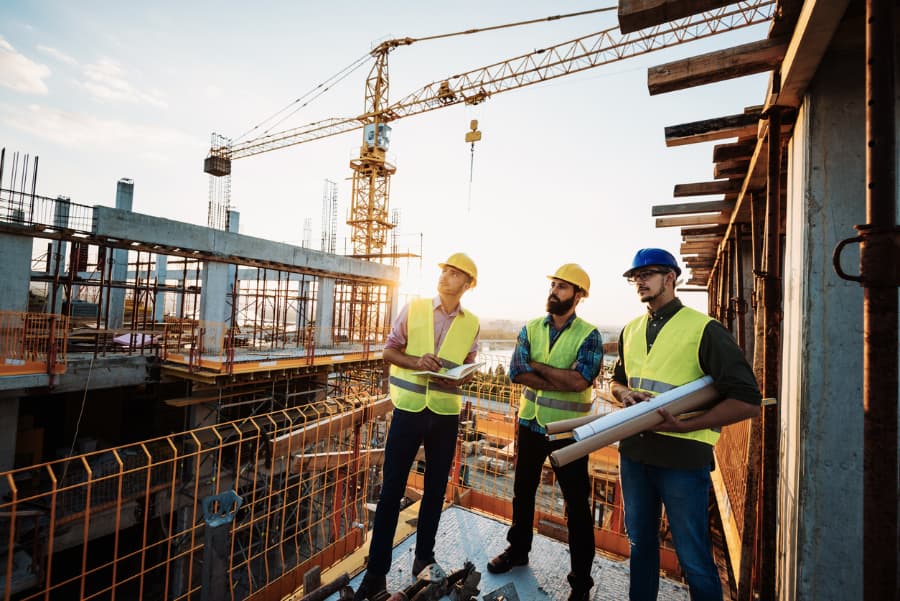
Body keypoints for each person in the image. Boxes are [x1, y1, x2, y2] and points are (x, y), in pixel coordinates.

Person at [610, 248, 761, 601]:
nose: (640, 281)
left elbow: (747, 401)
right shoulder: (630, 330)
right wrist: (624, 394)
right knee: (640, 544)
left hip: (682, 458)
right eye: (636, 276)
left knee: (693, 556)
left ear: (670, 278)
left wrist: (686, 425)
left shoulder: (704, 329)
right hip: (634, 452)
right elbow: (617, 380)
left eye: (648, 274)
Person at [354, 252, 480, 601]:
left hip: (444, 413)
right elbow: (389, 351)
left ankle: (423, 559)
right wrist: (416, 361)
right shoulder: (416, 307)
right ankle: (376, 573)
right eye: (444, 271)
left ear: (467, 285)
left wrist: (463, 377)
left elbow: (467, 363)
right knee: (391, 490)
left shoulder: (472, 323)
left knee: (436, 490)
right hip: (408, 410)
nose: (445, 277)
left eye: (455, 274)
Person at [486, 263, 603, 601]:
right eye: (553, 284)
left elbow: (580, 380)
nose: (554, 291)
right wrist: (553, 374)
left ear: (578, 296)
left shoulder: (589, 335)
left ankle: (580, 584)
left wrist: (536, 365)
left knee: (577, 506)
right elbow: (516, 373)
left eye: (563, 287)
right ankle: (517, 551)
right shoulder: (531, 328)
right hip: (530, 423)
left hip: (568, 431)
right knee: (522, 492)